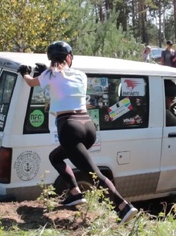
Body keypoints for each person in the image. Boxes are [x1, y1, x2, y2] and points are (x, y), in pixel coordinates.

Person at [18, 41, 138, 224]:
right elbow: (62, 81)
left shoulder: (49, 75)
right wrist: (46, 72)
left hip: (69, 127)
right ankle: (74, 193)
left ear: (51, 60)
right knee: (56, 157)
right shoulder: (81, 75)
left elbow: (30, 82)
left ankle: (123, 206)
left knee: (94, 173)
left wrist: (25, 72)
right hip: (88, 127)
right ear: (69, 57)